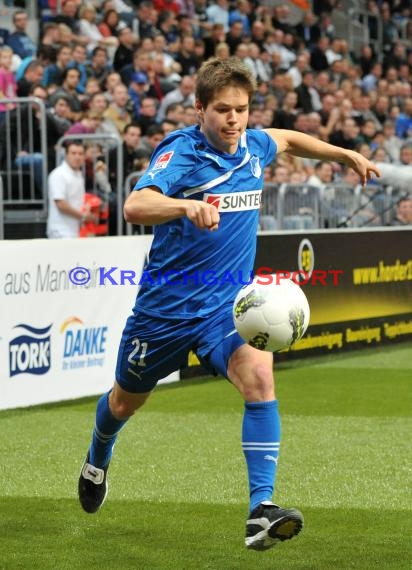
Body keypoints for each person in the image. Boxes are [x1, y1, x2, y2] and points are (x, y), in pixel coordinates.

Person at [78, 57, 380, 551]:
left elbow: (287, 138)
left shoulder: (254, 146)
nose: (234, 119)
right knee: (124, 402)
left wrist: (343, 154)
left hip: (227, 308)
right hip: (165, 313)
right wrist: (184, 205)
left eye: (241, 109)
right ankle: (98, 454)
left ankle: (261, 510)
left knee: (260, 378)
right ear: (200, 109)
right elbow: (136, 205)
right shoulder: (182, 152)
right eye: (223, 110)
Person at [46, 141, 97, 239]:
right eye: (73, 153)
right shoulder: (58, 174)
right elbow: (61, 204)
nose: (77, 157)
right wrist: (83, 216)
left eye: (80, 154)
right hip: (60, 231)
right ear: (66, 155)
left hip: (75, 230)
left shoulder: (78, 174)